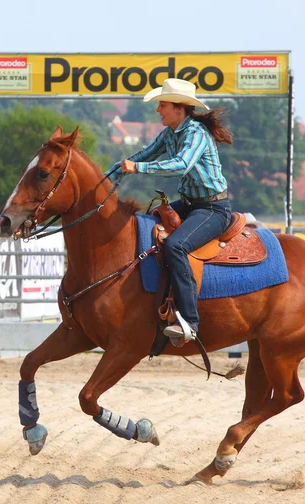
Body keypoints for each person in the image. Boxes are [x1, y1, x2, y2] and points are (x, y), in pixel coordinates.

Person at [106, 78, 233, 342]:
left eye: (162, 104)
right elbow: (143, 154)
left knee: (175, 246)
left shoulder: (196, 133)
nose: (158, 110)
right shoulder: (170, 134)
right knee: (144, 226)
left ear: (179, 108)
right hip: (190, 205)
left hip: (213, 209)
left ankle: (189, 322)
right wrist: (107, 178)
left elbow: (180, 165)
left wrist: (136, 169)